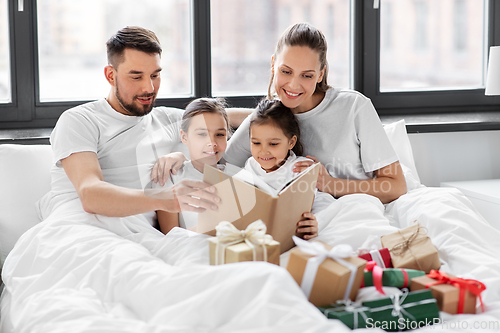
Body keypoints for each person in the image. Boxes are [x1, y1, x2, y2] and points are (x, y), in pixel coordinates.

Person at [151, 23, 406, 204]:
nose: (293, 85)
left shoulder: (354, 107)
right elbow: (217, 165)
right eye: (286, 71)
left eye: (307, 75)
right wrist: (179, 154)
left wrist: (332, 185)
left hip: (354, 212)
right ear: (273, 64)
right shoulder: (267, 120)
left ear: (321, 73)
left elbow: (396, 185)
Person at [36, 26, 220, 225]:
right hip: (81, 226)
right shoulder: (80, 120)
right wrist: (166, 198)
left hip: (140, 236)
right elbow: (90, 195)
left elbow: (231, 117)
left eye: (155, 75)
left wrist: (181, 155)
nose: (149, 88)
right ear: (110, 75)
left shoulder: (166, 119)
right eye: (136, 77)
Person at [245, 99, 336, 239]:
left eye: (273, 144)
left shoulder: (301, 167)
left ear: (291, 142)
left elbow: (322, 203)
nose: (263, 151)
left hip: (297, 228)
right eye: (256, 143)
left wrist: (316, 221)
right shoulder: (250, 165)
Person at [156, 97, 235, 234]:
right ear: (184, 137)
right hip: (195, 248)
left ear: (227, 136)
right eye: (202, 134)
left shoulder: (236, 176)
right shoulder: (171, 178)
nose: (212, 142)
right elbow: (170, 235)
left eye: (220, 134)